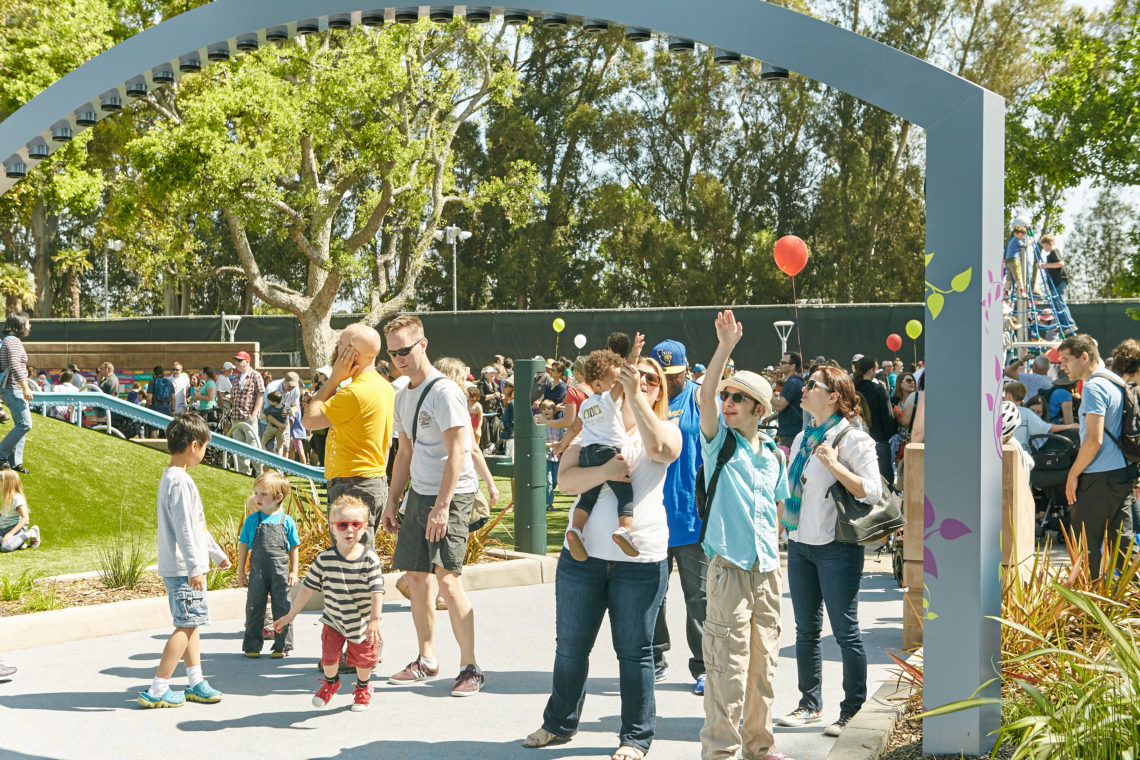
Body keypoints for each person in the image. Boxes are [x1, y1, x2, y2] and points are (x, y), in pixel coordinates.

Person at [523, 345, 680, 760]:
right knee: (570, 647)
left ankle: (635, 737)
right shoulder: (595, 420)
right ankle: (558, 724)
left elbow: (662, 451)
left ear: (658, 391)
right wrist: (607, 472)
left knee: (634, 653)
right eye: (635, 373)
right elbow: (568, 479)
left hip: (640, 561)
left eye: (650, 379)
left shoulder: (666, 428)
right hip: (583, 559)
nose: (640, 381)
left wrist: (640, 401)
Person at [695, 311, 791, 760]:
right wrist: (725, 348)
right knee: (726, 671)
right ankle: (720, 752)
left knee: (763, 668)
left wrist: (774, 559)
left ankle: (759, 746)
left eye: (739, 397)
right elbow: (705, 398)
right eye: (728, 394)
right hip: (728, 571)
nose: (728, 401)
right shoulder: (719, 442)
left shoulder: (774, 455)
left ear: (759, 408)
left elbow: (774, 512)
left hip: (767, 573)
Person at [380, 315, 485, 696]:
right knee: (417, 580)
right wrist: (393, 500)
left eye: (404, 350)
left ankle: (470, 666)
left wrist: (442, 506)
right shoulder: (402, 394)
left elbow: (460, 451)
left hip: (451, 495)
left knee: (448, 579)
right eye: (393, 353)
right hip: (419, 494)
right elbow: (404, 452)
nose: (399, 359)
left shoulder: (445, 392)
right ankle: (426, 658)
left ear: (423, 344)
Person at [777, 365, 880, 739]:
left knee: (845, 632)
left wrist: (835, 465)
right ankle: (809, 704)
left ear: (833, 395)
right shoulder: (805, 435)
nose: (802, 389)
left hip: (837, 545)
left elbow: (872, 492)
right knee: (806, 630)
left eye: (811, 385)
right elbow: (793, 491)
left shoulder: (853, 438)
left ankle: (852, 710)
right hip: (801, 544)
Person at [138, 413, 230, 708]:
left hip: (182, 565)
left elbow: (195, 525)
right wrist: (195, 567)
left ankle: (195, 681)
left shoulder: (175, 478)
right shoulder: (179, 482)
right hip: (183, 568)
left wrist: (214, 554)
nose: (205, 452)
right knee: (186, 625)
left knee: (190, 623)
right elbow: (186, 529)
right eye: (205, 446)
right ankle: (158, 688)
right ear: (193, 445)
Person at [274, 495, 384, 712]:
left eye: (356, 524)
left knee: (363, 661)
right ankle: (331, 683)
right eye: (342, 525)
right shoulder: (325, 559)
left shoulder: (369, 559)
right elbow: (307, 588)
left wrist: (375, 620)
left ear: (364, 528)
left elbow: (377, 590)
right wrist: (291, 614)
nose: (349, 530)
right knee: (329, 659)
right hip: (333, 619)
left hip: (361, 622)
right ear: (333, 529)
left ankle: (363, 687)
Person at [649, 337, 709, 692]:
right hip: (651, 516)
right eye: (661, 375)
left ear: (686, 370)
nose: (668, 382)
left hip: (691, 515)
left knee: (698, 596)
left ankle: (702, 665)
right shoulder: (643, 402)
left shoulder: (702, 399)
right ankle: (655, 657)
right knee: (652, 594)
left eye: (674, 375)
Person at [304, 324, 394, 546]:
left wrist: (334, 379)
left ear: (352, 353)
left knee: (351, 562)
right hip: (370, 481)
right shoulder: (384, 387)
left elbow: (310, 420)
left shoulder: (354, 392)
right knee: (360, 558)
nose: (336, 345)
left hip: (352, 485)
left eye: (341, 343)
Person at [1058, 334, 1135, 579]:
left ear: (1084, 356)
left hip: (1097, 478)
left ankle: (1088, 608)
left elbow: (1094, 440)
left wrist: (1072, 474)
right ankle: (1128, 604)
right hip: (1123, 473)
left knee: (1086, 547)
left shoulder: (1093, 386)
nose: (1062, 366)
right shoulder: (1116, 381)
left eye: (1066, 359)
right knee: (1123, 547)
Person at [563, 346, 640, 558]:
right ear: (598, 384)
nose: (618, 385)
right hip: (607, 451)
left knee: (587, 499)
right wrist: (633, 356)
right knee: (625, 494)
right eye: (613, 382)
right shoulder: (607, 399)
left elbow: (577, 427)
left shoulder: (586, 404)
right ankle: (624, 530)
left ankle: (575, 529)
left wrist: (562, 446)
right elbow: (626, 375)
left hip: (587, 454)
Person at [238, 470, 300, 658]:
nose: (258, 497)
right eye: (256, 493)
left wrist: (294, 571)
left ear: (278, 497)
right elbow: (243, 545)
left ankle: (283, 645)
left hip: (280, 572)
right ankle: (252, 645)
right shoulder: (251, 520)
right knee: (254, 606)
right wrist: (240, 570)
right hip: (257, 572)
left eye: (263, 494)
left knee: (282, 606)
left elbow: (294, 547)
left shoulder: (286, 521)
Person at [852, 355, 897, 490]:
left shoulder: (851, 390)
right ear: (871, 370)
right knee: (884, 487)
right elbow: (888, 420)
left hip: (854, 445)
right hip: (878, 443)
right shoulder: (879, 390)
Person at [0, 313, 35, 474]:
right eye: (27, 323)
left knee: (21, 425)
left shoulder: (10, 341)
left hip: (13, 388)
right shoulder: (13, 341)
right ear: (19, 325)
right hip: (13, 388)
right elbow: (15, 364)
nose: (29, 327)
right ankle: (1, 456)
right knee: (25, 424)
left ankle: (15, 462)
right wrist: (25, 387)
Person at [229, 351, 265, 476]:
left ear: (247, 362)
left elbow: (261, 394)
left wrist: (254, 414)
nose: (237, 363)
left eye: (239, 360)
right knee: (239, 447)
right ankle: (243, 473)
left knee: (253, 446)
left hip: (249, 417)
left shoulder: (256, 375)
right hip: (235, 416)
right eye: (236, 360)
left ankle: (259, 473)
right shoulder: (236, 377)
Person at [1038, 234, 1074, 327]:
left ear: (1047, 244)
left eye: (1043, 246)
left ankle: (1069, 323)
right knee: (1056, 303)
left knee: (1060, 302)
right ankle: (1062, 323)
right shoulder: (1050, 254)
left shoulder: (1054, 251)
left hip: (1058, 281)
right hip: (1054, 282)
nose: (1044, 248)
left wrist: (1046, 265)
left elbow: (1060, 263)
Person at [772, 352, 805, 449]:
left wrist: (768, 391)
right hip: (792, 431)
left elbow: (779, 406)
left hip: (791, 433)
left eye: (783, 362)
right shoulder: (795, 381)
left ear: (792, 366)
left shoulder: (792, 382)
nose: (780, 365)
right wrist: (773, 416)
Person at [0, 470, 37, 551]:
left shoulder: (18, 498)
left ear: (7, 483)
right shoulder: (7, 497)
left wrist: (10, 534)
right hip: (2, 529)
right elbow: (8, 512)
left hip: (16, 530)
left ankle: (31, 532)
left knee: (5, 547)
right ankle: (18, 543)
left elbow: (25, 518)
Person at [540, 399, 565, 511]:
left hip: (556, 457)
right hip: (544, 456)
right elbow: (538, 442)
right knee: (548, 481)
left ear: (554, 411)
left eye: (549, 409)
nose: (546, 411)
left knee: (555, 481)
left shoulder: (557, 425)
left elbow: (562, 439)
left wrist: (560, 444)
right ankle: (547, 504)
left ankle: (544, 497)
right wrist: (550, 444)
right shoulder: (539, 425)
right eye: (544, 409)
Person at [261, 390, 288, 455]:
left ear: (274, 402)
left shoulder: (269, 409)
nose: (268, 401)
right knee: (280, 446)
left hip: (271, 428)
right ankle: (279, 459)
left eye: (269, 400)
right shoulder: (285, 407)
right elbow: (292, 413)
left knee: (262, 443)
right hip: (280, 430)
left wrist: (262, 409)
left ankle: (267, 455)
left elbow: (261, 417)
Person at [1004, 224, 1027, 295]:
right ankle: (1022, 292)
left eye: (1023, 236)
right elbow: (1024, 246)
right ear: (1015, 234)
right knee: (1018, 277)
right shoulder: (1017, 240)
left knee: (1009, 279)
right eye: (1021, 235)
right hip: (1014, 260)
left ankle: (1006, 292)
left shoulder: (1011, 241)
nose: (1022, 237)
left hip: (1007, 261)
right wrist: (1030, 241)